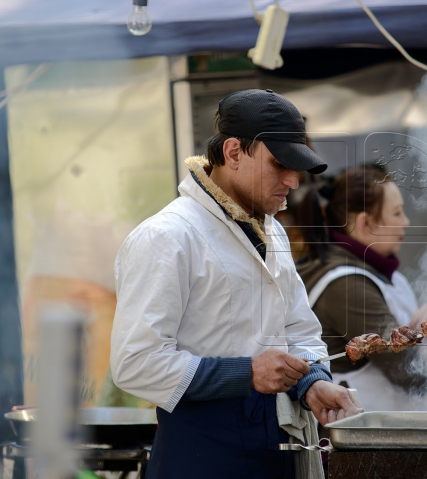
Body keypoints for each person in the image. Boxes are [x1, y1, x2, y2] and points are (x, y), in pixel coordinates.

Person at [110, 89, 362, 479]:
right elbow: (135, 364)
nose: (293, 181)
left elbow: (297, 328)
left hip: (276, 452)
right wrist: (246, 373)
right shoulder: (166, 236)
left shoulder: (272, 231)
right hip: (201, 456)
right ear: (232, 153)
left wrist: (311, 384)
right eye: (280, 164)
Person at [296, 169, 427, 411]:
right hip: (363, 438)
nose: (406, 222)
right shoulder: (346, 285)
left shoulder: (382, 274)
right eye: (397, 213)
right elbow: (408, 370)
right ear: (366, 223)